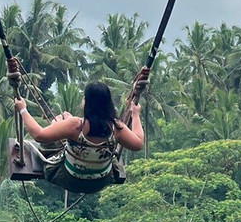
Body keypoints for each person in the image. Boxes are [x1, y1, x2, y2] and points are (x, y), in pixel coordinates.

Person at [14, 81, 144, 193]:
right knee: (110, 153)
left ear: (86, 102)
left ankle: (57, 126)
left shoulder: (76, 125)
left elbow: (39, 135)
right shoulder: (117, 127)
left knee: (50, 143)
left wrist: (23, 110)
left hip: (68, 178)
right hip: (100, 182)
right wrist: (136, 115)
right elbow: (138, 144)